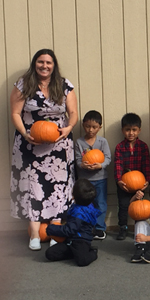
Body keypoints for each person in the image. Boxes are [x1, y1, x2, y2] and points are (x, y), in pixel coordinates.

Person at [10, 49, 78, 251]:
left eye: (48, 62)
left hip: (59, 145)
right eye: (41, 62)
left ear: (54, 65)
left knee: (58, 188)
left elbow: (73, 112)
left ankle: (56, 233)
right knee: (34, 188)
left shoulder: (64, 85)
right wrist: (25, 132)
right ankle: (34, 235)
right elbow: (15, 112)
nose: (44, 66)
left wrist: (68, 128)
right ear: (35, 63)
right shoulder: (24, 84)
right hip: (30, 144)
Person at [45, 179, 101, 267]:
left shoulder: (79, 214)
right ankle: (74, 253)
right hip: (69, 241)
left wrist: (51, 229)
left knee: (82, 261)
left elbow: (69, 230)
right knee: (50, 254)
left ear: (74, 196)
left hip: (81, 241)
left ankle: (93, 252)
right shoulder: (84, 204)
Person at [74, 110, 111, 240]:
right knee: (85, 205)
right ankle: (87, 227)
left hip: (100, 178)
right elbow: (78, 159)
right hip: (85, 180)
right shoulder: (79, 142)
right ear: (83, 125)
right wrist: (83, 165)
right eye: (88, 126)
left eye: (94, 127)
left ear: (100, 127)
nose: (90, 130)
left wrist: (100, 165)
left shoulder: (102, 142)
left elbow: (107, 158)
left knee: (100, 203)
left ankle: (100, 228)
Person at [115, 113, 150, 240]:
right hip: (124, 184)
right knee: (124, 206)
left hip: (139, 183)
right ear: (122, 130)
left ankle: (139, 227)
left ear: (139, 130)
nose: (131, 133)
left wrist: (147, 180)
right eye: (127, 130)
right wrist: (119, 180)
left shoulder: (143, 146)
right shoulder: (120, 147)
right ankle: (123, 227)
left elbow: (146, 164)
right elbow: (118, 164)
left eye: (134, 130)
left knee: (139, 207)